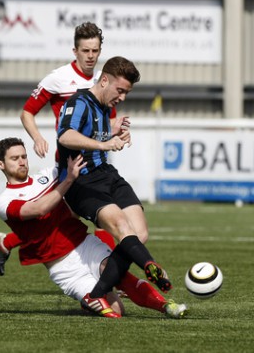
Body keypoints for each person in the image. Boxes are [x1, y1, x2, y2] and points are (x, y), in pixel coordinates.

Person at [0, 137, 188, 318]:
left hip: (85, 244)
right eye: (14, 158)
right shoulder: (4, 201)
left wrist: (109, 132)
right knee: (116, 311)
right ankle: (88, 302)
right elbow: (39, 208)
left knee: (122, 277)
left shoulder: (48, 175)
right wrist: (68, 180)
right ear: (1, 164)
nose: (22, 161)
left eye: (24, 156)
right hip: (62, 267)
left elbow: (71, 146)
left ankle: (166, 306)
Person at [0, 22, 118, 276]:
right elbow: (27, 112)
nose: (91, 56)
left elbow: (111, 119)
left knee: (77, 216)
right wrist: (37, 137)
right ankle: (113, 274)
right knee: (99, 213)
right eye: (86, 50)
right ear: (75, 51)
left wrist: (119, 131)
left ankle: (7, 242)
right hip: (71, 162)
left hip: (98, 158)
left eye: (95, 50)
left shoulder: (103, 80)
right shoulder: (58, 78)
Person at [56, 55, 172, 306]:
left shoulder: (102, 106)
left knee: (138, 234)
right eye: (120, 90)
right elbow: (66, 136)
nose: (122, 98)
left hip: (107, 175)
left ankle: (97, 293)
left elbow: (94, 128)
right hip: (82, 182)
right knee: (121, 226)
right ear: (104, 80)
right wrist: (103, 143)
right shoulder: (79, 102)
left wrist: (112, 128)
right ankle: (150, 265)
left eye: (126, 92)